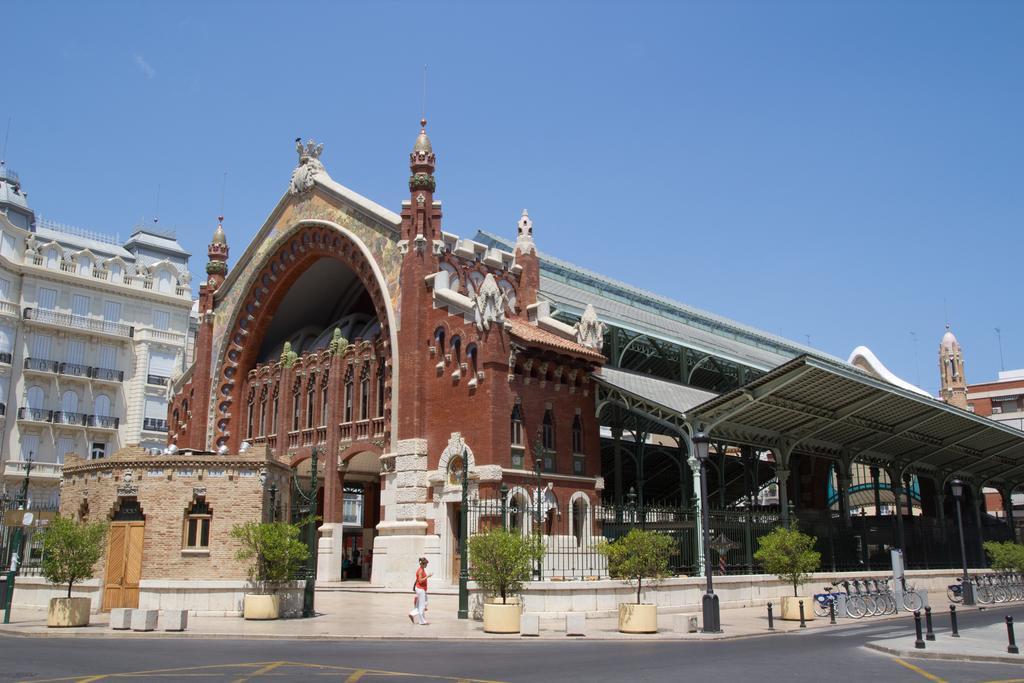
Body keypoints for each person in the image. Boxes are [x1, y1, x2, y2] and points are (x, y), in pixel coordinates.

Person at [408, 557, 431, 625]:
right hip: (420, 589)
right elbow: (420, 581)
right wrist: (428, 576)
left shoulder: (422, 569)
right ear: (423, 564)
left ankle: (412, 614)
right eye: (426, 564)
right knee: (422, 606)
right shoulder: (420, 571)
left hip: (421, 589)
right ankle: (422, 621)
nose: (427, 565)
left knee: (424, 603)